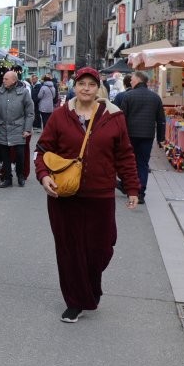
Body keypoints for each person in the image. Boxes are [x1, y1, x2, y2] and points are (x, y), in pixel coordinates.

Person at [34, 66, 141, 323]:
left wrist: (132, 187)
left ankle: (90, 287)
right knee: (69, 250)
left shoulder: (113, 116)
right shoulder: (60, 116)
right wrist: (44, 175)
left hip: (100, 194)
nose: (86, 88)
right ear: (75, 86)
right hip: (64, 194)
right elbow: (42, 150)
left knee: (101, 248)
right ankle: (75, 301)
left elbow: (125, 154)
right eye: (82, 83)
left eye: (91, 84)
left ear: (98, 88)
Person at [118, 70, 166, 204]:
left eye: (132, 79)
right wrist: (161, 138)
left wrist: (120, 136)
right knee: (143, 163)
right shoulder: (155, 97)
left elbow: (122, 118)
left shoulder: (128, 96)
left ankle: (128, 186)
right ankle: (140, 193)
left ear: (138, 80)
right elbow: (161, 120)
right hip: (147, 136)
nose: (130, 81)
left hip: (130, 135)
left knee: (129, 162)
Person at [0, 64, 34, 187]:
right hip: (2, 128)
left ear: (14, 80)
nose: (3, 80)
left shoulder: (24, 92)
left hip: (19, 128)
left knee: (20, 155)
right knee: (5, 156)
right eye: (3, 79)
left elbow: (30, 113)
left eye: (6, 79)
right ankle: (7, 178)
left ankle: (20, 175)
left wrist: (27, 129)